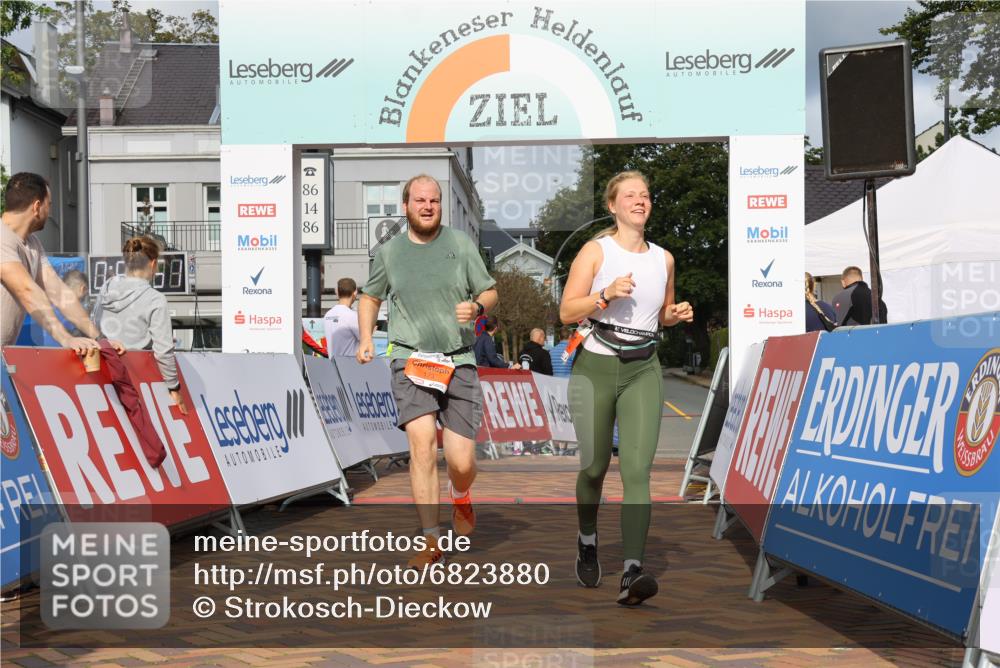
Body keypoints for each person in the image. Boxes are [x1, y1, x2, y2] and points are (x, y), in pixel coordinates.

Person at [559, 170, 693, 606]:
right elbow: (565, 311)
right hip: (594, 366)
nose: (640, 201)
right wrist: (604, 296)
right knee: (595, 467)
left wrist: (677, 313)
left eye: (646, 195)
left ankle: (632, 569)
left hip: (643, 369)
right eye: (630, 195)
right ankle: (587, 538)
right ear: (613, 205)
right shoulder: (596, 251)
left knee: (637, 472)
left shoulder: (664, 258)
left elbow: (664, 312)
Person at [356, 174, 499, 568]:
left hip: (458, 359)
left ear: (441, 206)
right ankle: (430, 539)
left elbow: (489, 290)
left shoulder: (460, 244)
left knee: (462, 462)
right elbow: (370, 297)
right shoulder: (389, 253)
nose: (427, 206)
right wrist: (367, 337)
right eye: (420, 200)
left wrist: (478, 308)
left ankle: (461, 495)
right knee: (421, 446)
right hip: (410, 358)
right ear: (406, 206)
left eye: (434, 201)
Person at [1, 172, 121, 355]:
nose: (49, 213)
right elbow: (27, 291)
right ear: (37, 207)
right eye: (49, 206)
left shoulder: (33, 244)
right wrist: (66, 338)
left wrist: (100, 340)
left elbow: (60, 293)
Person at [95, 237, 187, 414]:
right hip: (137, 378)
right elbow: (164, 350)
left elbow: (95, 325)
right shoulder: (155, 299)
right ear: (152, 263)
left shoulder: (107, 287)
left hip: (103, 372)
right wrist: (174, 388)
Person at [324, 277, 360, 357]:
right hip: (351, 365)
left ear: (337, 292)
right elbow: (364, 339)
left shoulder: (327, 315)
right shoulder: (352, 316)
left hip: (334, 365)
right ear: (355, 293)